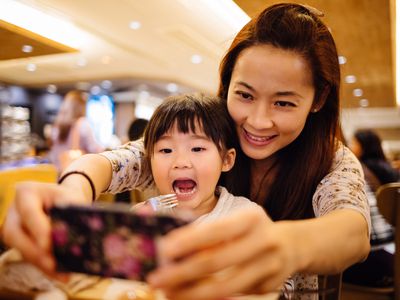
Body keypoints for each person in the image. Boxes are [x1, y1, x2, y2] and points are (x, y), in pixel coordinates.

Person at [2, 3, 370, 299]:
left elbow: (353, 234)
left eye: (284, 104)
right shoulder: (209, 135)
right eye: (244, 95)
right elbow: (113, 162)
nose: (258, 121)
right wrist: (70, 196)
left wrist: (284, 244)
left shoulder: (332, 161)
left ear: (318, 99)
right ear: (226, 86)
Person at [343, 128, 398, 288]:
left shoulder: (358, 168)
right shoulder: (388, 167)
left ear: (364, 146)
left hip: (373, 254)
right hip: (392, 246)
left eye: (354, 143)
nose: (351, 147)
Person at [48, 90, 104, 173]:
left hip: (59, 171)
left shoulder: (57, 125)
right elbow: (94, 149)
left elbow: (53, 153)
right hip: (76, 174)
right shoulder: (83, 123)